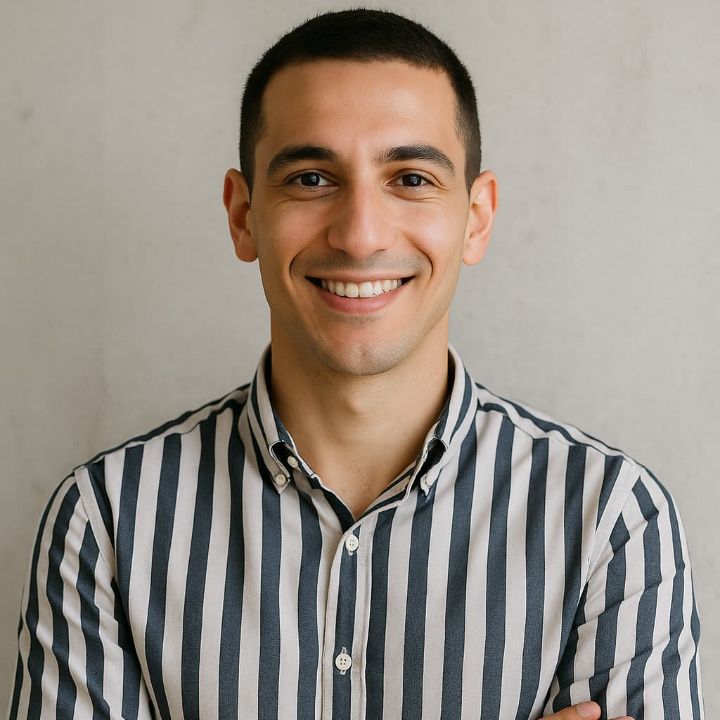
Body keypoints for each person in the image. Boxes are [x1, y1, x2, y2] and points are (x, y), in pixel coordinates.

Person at [6, 9, 703, 720]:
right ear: (243, 216)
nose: (361, 235)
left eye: (411, 178)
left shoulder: (609, 520)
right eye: (311, 178)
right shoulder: (109, 520)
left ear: (476, 218)